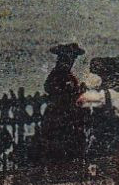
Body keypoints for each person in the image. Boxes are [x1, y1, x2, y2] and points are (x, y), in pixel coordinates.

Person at [38, 42, 88, 176]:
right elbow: (50, 88)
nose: (71, 62)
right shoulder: (58, 74)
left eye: (72, 59)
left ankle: (65, 170)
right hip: (59, 115)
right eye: (69, 58)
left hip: (66, 115)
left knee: (68, 143)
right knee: (60, 143)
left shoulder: (67, 75)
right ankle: (60, 171)